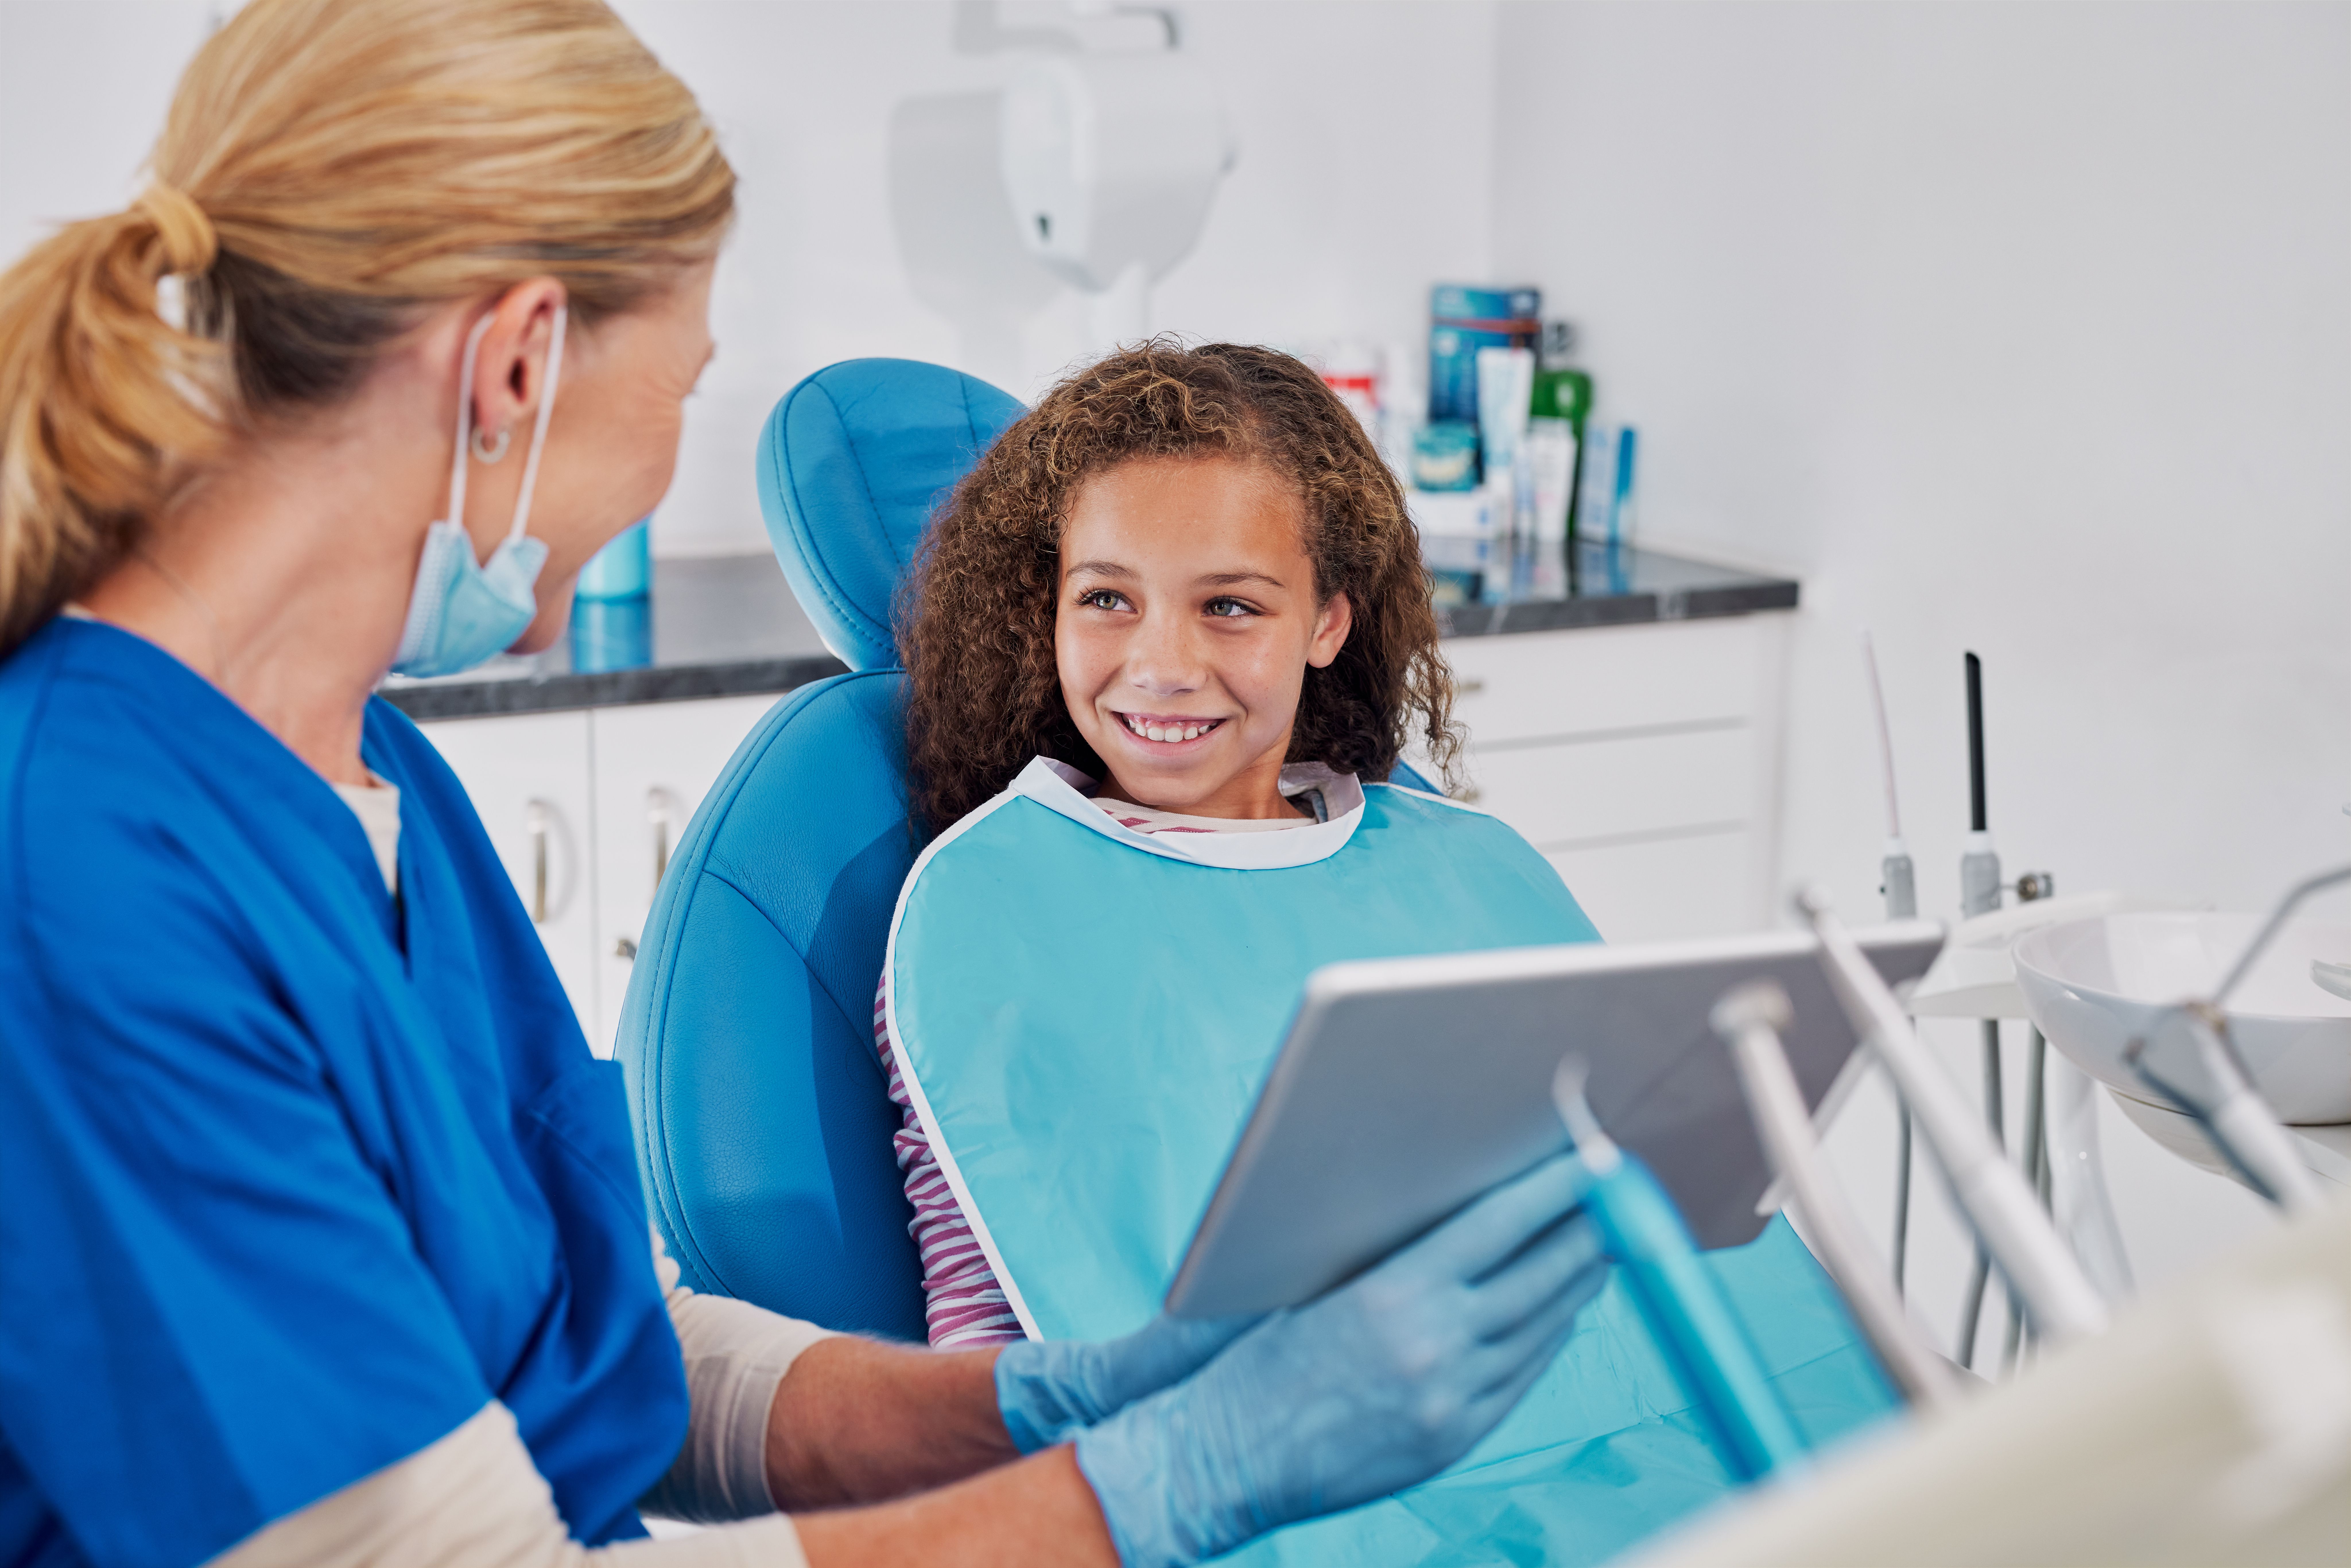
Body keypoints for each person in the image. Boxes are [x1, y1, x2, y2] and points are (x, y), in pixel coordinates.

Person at [0, 4, 1613, 1566]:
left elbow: (596, 1346)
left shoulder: (370, 777)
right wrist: (1159, 1488)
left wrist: (1013, 1403)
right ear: (515, 368)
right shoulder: (77, 875)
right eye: (680, 390)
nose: (664, 458)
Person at [879, 344, 1901, 1565]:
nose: (1159, 662)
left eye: (1229, 605)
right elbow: (999, 1325)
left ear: (1324, 621)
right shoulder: (991, 908)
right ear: (1040, 603)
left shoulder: (1465, 864)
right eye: (1106, 598)